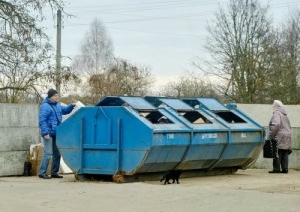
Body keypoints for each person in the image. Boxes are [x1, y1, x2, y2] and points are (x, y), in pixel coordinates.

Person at [38, 88, 75, 179]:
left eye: (57, 95)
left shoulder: (57, 105)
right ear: (50, 97)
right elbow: (42, 120)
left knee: (57, 153)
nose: (57, 97)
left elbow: (65, 110)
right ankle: (42, 172)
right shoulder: (45, 106)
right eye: (55, 96)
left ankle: (54, 172)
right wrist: (45, 133)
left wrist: (71, 105)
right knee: (48, 153)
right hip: (48, 134)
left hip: (56, 133)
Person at [268, 100, 292, 174]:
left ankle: (276, 169)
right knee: (285, 151)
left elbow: (276, 124)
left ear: (276, 106)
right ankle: (285, 169)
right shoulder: (285, 114)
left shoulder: (277, 114)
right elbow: (289, 126)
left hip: (279, 135)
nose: (272, 107)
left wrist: (271, 135)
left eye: (273, 106)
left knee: (277, 151)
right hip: (287, 134)